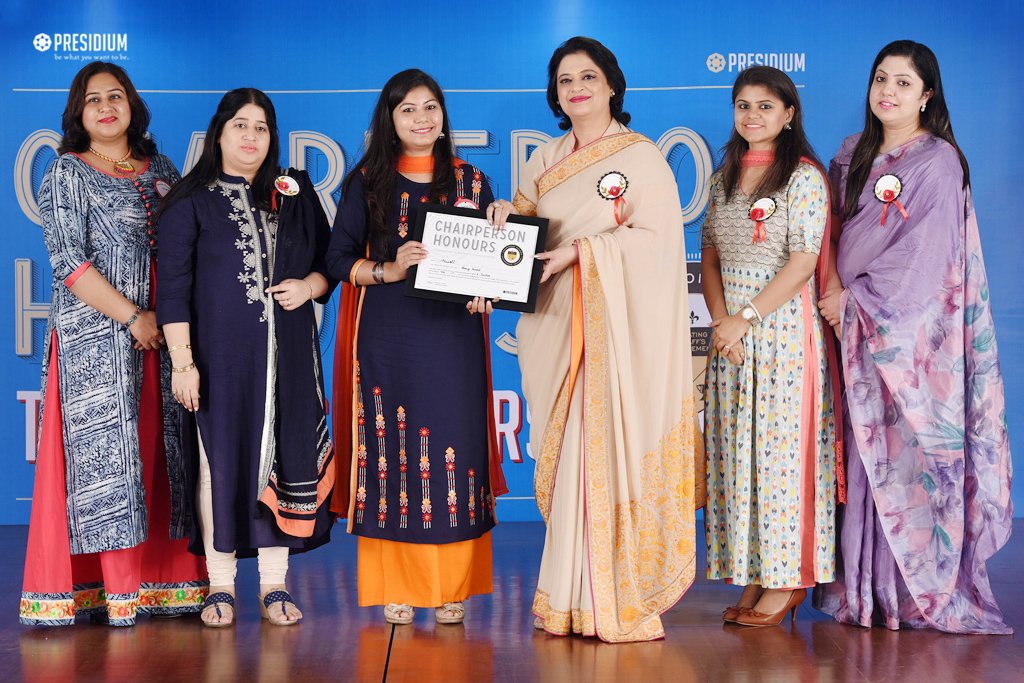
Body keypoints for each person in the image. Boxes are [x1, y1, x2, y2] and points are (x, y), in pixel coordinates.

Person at [814, 40, 1013, 634]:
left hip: (907, 343)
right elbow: (830, 233)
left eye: (903, 83)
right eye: (881, 78)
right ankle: (859, 590)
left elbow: (928, 263)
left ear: (927, 95)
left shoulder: (938, 163)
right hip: (845, 331)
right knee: (858, 455)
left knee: (903, 458)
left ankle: (905, 593)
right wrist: (834, 294)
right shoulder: (851, 154)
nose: (889, 92)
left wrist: (856, 305)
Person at [511, 36, 700, 643]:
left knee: (602, 452)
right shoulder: (544, 159)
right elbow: (522, 234)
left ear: (612, 84)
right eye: (565, 80)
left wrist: (583, 252)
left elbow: (658, 245)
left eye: (588, 76)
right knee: (568, 459)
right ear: (555, 93)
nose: (577, 89)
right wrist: (499, 224)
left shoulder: (642, 158)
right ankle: (567, 599)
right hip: (556, 325)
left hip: (614, 333)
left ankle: (612, 599)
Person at [19, 62, 208, 627]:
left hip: (165, 340)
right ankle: (110, 591)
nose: (106, 107)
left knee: (161, 454)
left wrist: (169, 322)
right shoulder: (66, 172)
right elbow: (68, 261)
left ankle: (167, 583)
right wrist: (132, 318)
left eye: (116, 96)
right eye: (93, 99)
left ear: (133, 105)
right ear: (78, 113)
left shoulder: (163, 169)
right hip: (97, 345)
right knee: (107, 464)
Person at [327, 69, 507, 626]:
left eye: (431, 107)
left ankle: (453, 588)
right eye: (408, 109)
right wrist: (388, 267)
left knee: (456, 452)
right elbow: (337, 260)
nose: (422, 118)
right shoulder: (367, 182)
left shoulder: (472, 181)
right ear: (390, 119)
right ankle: (397, 586)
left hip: (454, 339)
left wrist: (495, 271)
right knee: (393, 454)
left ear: (443, 116)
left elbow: (494, 264)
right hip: (389, 339)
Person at [157, 88, 337, 627]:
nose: (251, 136)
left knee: (284, 462)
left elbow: (332, 262)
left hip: (290, 360)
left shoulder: (294, 190)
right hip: (220, 363)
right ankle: (220, 584)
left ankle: (275, 585)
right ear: (219, 133)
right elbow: (173, 291)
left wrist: (308, 286)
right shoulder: (191, 201)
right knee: (218, 466)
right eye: (240, 124)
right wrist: (183, 364)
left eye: (261, 126)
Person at [701, 66, 840, 628]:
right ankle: (757, 570)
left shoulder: (803, 177)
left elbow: (803, 263)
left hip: (781, 334)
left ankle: (788, 579)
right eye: (743, 105)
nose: (752, 115)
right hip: (731, 337)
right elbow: (710, 255)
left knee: (780, 457)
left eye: (765, 106)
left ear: (788, 115)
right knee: (739, 455)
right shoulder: (723, 176)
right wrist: (721, 322)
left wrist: (745, 318)